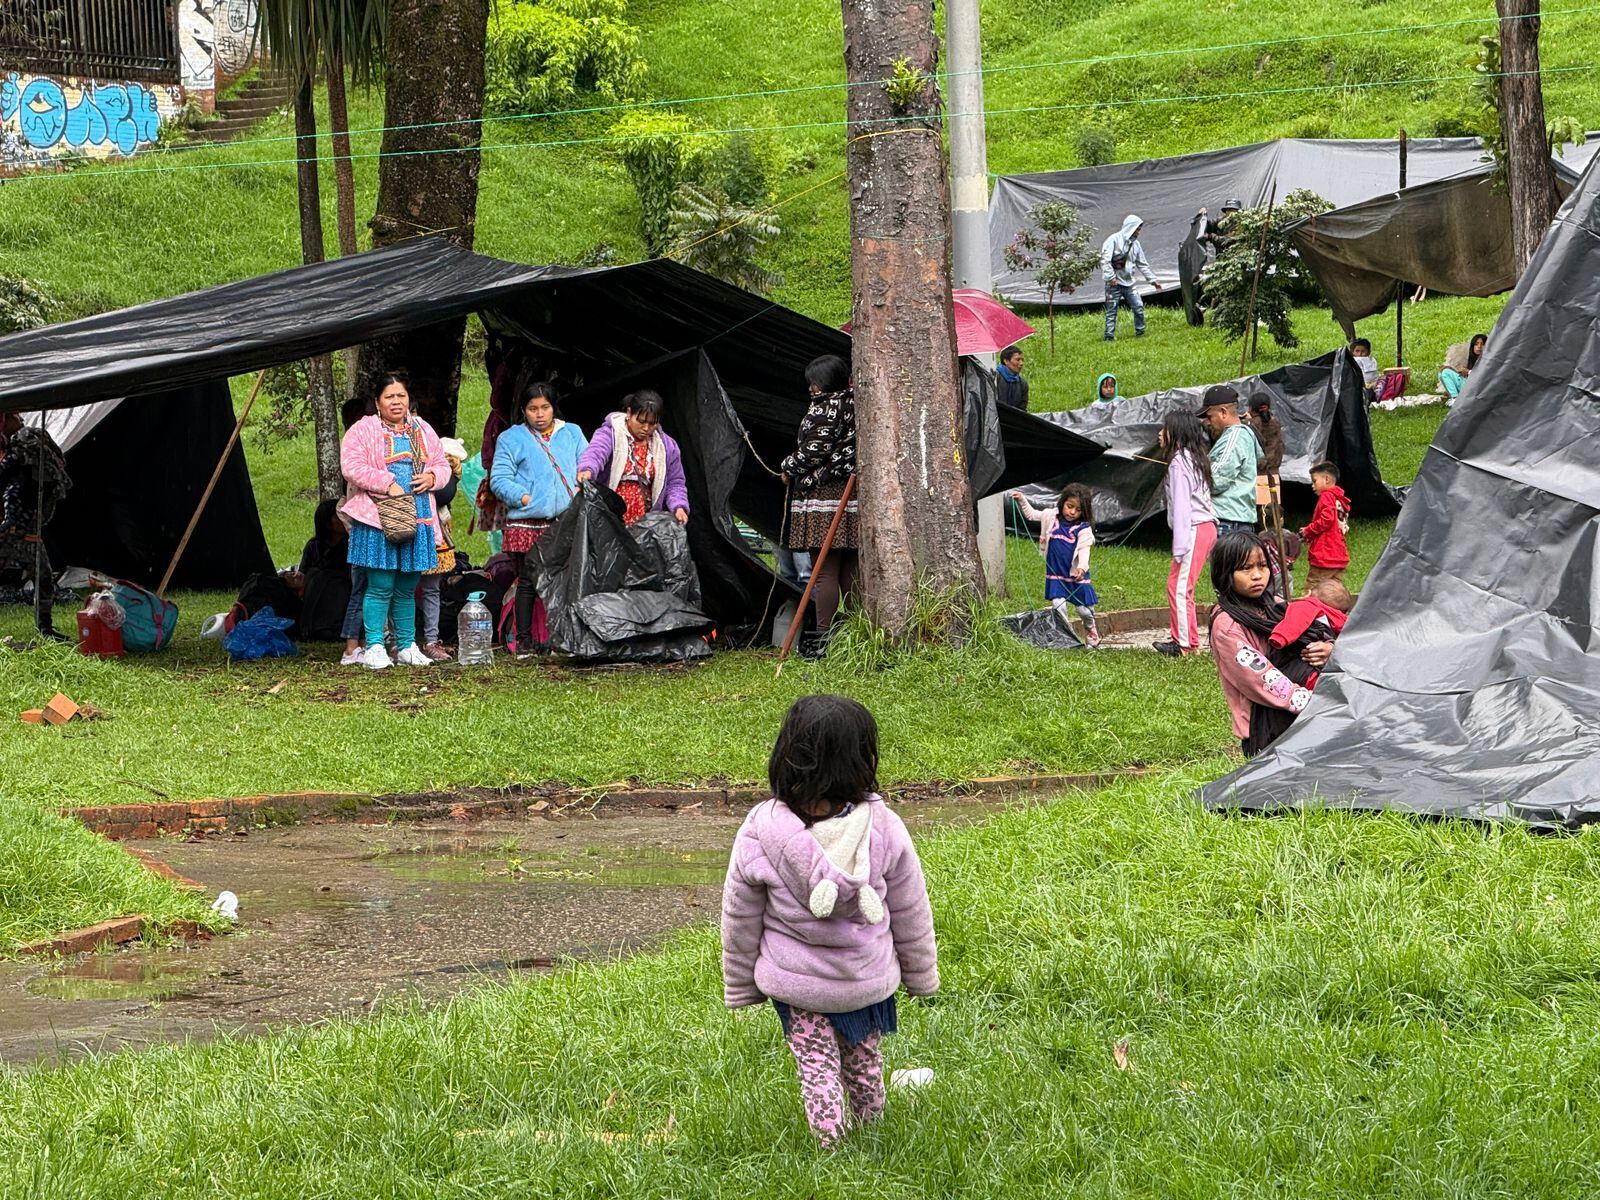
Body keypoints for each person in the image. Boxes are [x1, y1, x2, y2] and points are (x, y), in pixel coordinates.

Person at [721, 695, 938, 1149]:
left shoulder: (761, 830)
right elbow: (911, 908)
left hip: (800, 987)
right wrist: (921, 977)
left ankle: (831, 1146)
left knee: (816, 1065)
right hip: (865, 980)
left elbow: (740, 916)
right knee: (864, 1059)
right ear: (863, 761)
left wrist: (741, 985)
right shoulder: (884, 827)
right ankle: (872, 1131)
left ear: (786, 757)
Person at [338, 371, 448, 670]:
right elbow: (351, 466)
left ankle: (406, 645)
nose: (396, 402)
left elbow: (441, 462)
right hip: (378, 517)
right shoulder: (363, 430)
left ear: (408, 399)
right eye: (389, 396)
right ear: (377, 402)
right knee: (380, 584)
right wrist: (387, 483)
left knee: (407, 585)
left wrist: (433, 476)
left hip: (419, 515)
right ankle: (374, 645)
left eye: (401, 396)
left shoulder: (422, 429)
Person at [1208, 531, 1331, 757]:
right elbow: (1258, 677)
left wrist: (1328, 649)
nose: (1257, 575)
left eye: (1263, 566)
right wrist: (1313, 702)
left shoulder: (1274, 605)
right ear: (1225, 573)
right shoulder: (1227, 625)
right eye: (1246, 568)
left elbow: (1312, 631)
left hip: (1300, 708)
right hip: (1264, 723)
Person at [491, 381, 588, 654]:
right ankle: (524, 640)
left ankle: (563, 638)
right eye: (533, 408)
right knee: (529, 582)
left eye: (545, 407)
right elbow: (498, 479)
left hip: (565, 521)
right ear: (524, 410)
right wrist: (523, 497)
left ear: (553, 408)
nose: (540, 414)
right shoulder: (511, 438)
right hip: (527, 521)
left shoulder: (572, 433)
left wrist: (582, 485)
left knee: (566, 579)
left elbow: (587, 465)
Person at [780, 355, 858, 643]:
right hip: (850, 496)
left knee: (823, 569)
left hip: (825, 494)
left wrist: (788, 467)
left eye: (816, 382)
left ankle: (823, 637)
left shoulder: (827, 407)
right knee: (849, 568)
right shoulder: (855, 404)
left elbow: (815, 450)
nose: (811, 388)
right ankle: (854, 632)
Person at [0, 411, 71, 640]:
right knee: (43, 578)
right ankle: (45, 629)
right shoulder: (16, 454)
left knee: (44, 578)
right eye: (16, 416)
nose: (21, 419)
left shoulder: (27, 450)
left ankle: (46, 629)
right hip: (11, 527)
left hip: (26, 529)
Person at [576, 389, 689, 527]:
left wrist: (679, 507)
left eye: (652, 423)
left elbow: (675, 482)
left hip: (646, 523)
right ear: (629, 413)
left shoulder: (667, 447)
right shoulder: (610, 434)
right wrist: (588, 470)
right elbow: (596, 452)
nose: (646, 428)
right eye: (641, 421)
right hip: (610, 519)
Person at [1154, 412, 1217, 657]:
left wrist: (1179, 547)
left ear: (1176, 433)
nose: (1160, 434)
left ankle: (1182, 645)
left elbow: (1182, 507)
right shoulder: (1193, 458)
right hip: (1204, 527)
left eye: (1165, 429)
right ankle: (1188, 640)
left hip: (1194, 528)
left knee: (1179, 588)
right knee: (1181, 586)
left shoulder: (1179, 462)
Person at [1010, 483, 1101, 648]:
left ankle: (1091, 631)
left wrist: (1082, 567)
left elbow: (1084, 550)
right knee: (1059, 608)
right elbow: (1032, 515)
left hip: (1075, 575)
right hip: (1056, 574)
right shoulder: (1051, 516)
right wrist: (1022, 500)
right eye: (1069, 506)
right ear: (1062, 502)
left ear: (1085, 511)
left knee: (1084, 611)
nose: (1072, 512)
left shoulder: (1083, 529)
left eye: (1078, 509)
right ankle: (1067, 638)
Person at [1197, 385, 1262, 536]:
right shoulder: (1237, 436)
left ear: (1223, 412)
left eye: (1209, 416)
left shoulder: (1234, 437)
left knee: (1224, 561)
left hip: (1229, 521)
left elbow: (1217, 480)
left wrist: (1194, 478)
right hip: (1236, 520)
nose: (1208, 422)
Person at [1269, 576, 1353, 689]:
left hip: (1300, 670)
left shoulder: (1308, 605)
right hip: (1321, 670)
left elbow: (1294, 623)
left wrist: (1280, 637)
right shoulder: (1343, 621)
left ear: (1308, 593)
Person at [1100, 214, 1158, 341]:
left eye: (1139, 229)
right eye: (1137, 229)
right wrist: (1110, 277)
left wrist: (1153, 280)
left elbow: (1142, 264)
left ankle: (1140, 332)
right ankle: (1109, 337)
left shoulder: (1136, 245)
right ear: (1131, 227)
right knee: (1111, 311)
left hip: (1129, 283)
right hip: (1113, 284)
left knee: (1138, 306)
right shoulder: (1113, 240)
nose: (1138, 232)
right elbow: (1105, 260)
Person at [1300, 460, 1351, 590]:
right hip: (1339, 554)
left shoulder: (1327, 496)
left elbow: (1326, 520)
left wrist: (1308, 531)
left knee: (1313, 589)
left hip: (1325, 555)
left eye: (1314, 481)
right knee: (1334, 592)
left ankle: (1310, 610)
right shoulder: (1339, 499)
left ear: (1326, 479)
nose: (1312, 485)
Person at [1438, 333, 1488, 401]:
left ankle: (1455, 399)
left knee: (1446, 372)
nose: (1479, 346)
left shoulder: (1489, 360)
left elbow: (1485, 376)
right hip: (1468, 386)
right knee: (1443, 373)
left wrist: (1468, 372)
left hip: (1480, 389)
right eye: (1476, 344)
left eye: (1482, 344)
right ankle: (1454, 397)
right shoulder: (1473, 359)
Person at [996, 345, 1029, 411]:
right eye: (1017, 360)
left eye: (1022, 360)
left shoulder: (1022, 384)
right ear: (1006, 361)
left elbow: (1022, 409)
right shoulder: (995, 379)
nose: (1021, 363)